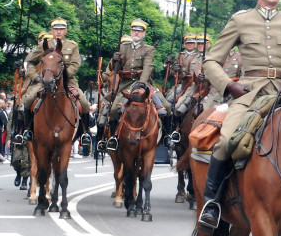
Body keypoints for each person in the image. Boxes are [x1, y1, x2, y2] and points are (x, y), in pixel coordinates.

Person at [197, 0, 281, 233]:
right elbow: (212, 61)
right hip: (249, 92)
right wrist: (229, 86)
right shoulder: (240, 20)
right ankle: (212, 203)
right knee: (226, 141)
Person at [97, 19, 172, 150]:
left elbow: (148, 66)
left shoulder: (149, 49)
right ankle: (114, 138)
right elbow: (117, 68)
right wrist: (114, 61)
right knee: (114, 110)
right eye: (134, 30)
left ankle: (167, 136)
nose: (136, 33)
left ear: (144, 33)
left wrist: (142, 83)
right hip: (125, 84)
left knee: (165, 106)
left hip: (142, 82)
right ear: (131, 31)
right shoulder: (123, 47)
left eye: (139, 31)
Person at [20, 18, 91, 139]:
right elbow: (30, 62)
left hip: (68, 81)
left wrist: (62, 77)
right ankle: (28, 131)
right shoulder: (44, 45)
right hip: (45, 81)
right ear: (52, 30)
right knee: (28, 100)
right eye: (56, 29)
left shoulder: (72, 46)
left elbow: (75, 65)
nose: (58, 32)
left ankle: (85, 133)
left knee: (84, 103)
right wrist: (35, 77)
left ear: (66, 31)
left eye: (61, 29)